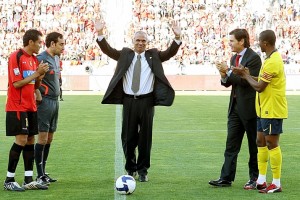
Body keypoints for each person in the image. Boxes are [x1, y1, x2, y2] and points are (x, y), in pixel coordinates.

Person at [94, 19, 182, 182]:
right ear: (133, 41)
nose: (140, 43)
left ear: (147, 43)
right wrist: (100, 33)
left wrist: (177, 37)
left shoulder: (153, 55)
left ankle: (143, 171)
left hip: (147, 102)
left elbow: (169, 53)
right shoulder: (125, 54)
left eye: (143, 41)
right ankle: (130, 168)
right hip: (129, 101)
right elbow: (107, 50)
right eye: (138, 40)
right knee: (128, 137)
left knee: (145, 138)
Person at [233, 30, 288, 193]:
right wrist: (247, 75)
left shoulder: (273, 61)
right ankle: (262, 180)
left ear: (265, 43)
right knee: (260, 142)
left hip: (272, 109)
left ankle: (276, 182)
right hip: (263, 109)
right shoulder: (269, 59)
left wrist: (245, 75)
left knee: (272, 143)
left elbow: (259, 87)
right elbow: (261, 81)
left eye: (259, 41)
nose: (257, 43)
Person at [209, 29, 261, 189]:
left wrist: (229, 70)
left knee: (254, 146)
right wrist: (223, 74)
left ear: (242, 41)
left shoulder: (254, 58)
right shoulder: (234, 57)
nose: (229, 43)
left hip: (250, 109)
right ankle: (226, 178)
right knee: (231, 145)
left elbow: (246, 81)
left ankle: (256, 178)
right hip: (235, 109)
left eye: (231, 41)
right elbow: (228, 82)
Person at [4, 29, 49, 191]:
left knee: (30, 140)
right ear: (30, 42)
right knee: (21, 140)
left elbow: (34, 85)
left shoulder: (34, 60)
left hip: (31, 105)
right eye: (38, 42)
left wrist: (40, 77)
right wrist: (37, 73)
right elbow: (16, 84)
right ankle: (9, 180)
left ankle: (28, 179)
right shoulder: (16, 56)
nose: (40, 45)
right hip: (17, 106)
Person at [35, 32, 65, 186]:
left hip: (55, 101)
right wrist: (37, 93)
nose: (63, 47)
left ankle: (43, 172)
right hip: (45, 102)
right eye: (61, 44)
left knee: (50, 138)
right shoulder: (40, 58)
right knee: (42, 138)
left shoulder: (56, 58)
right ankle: (39, 176)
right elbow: (32, 77)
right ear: (52, 44)